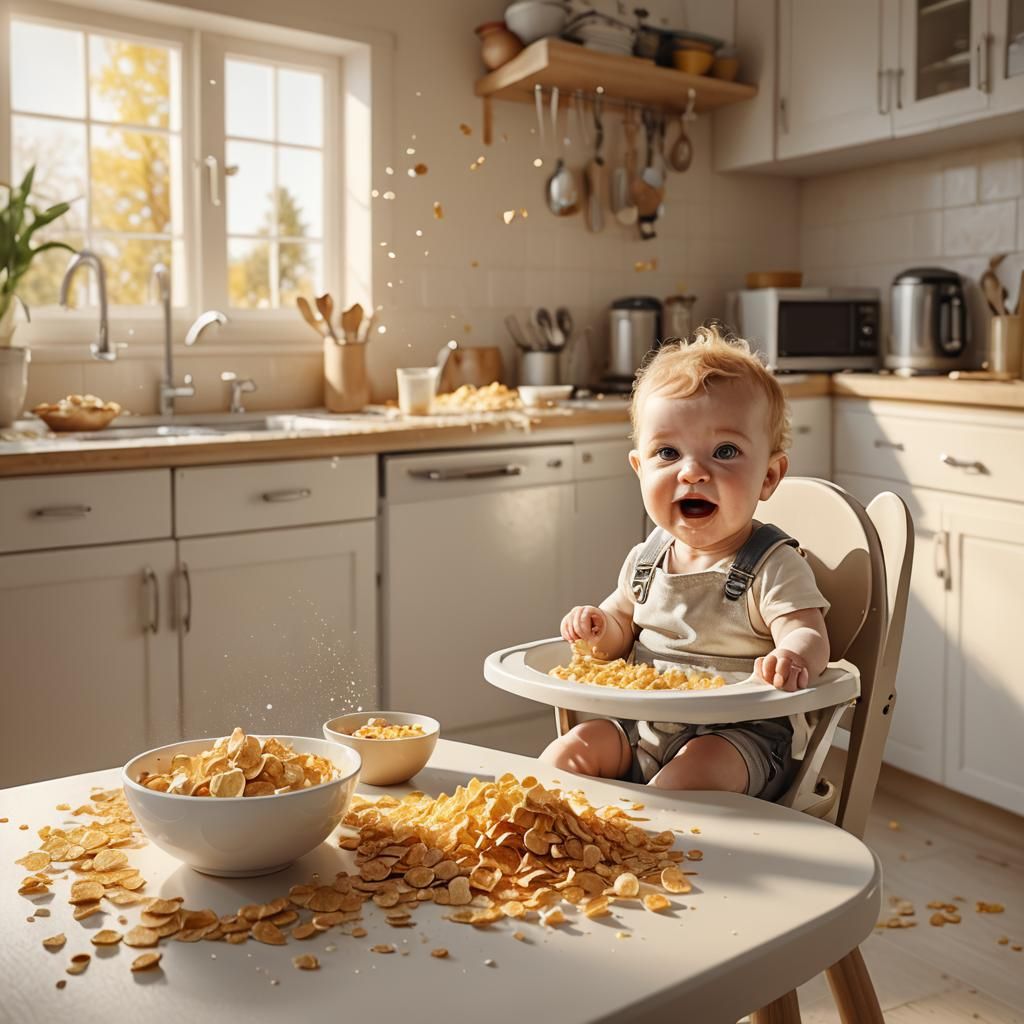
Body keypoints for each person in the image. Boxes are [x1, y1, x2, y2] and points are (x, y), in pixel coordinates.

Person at [541, 325, 830, 799]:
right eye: (668, 453)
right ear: (640, 470)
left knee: (687, 779)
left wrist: (793, 654)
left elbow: (809, 630)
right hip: (643, 728)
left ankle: (649, 851)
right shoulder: (646, 560)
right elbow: (620, 628)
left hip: (741, 739)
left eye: (725, 452)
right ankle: (555, 846)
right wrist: (598, 628)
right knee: (571, 750)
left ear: (769, 475)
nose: (693, 471)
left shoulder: (772, 565)